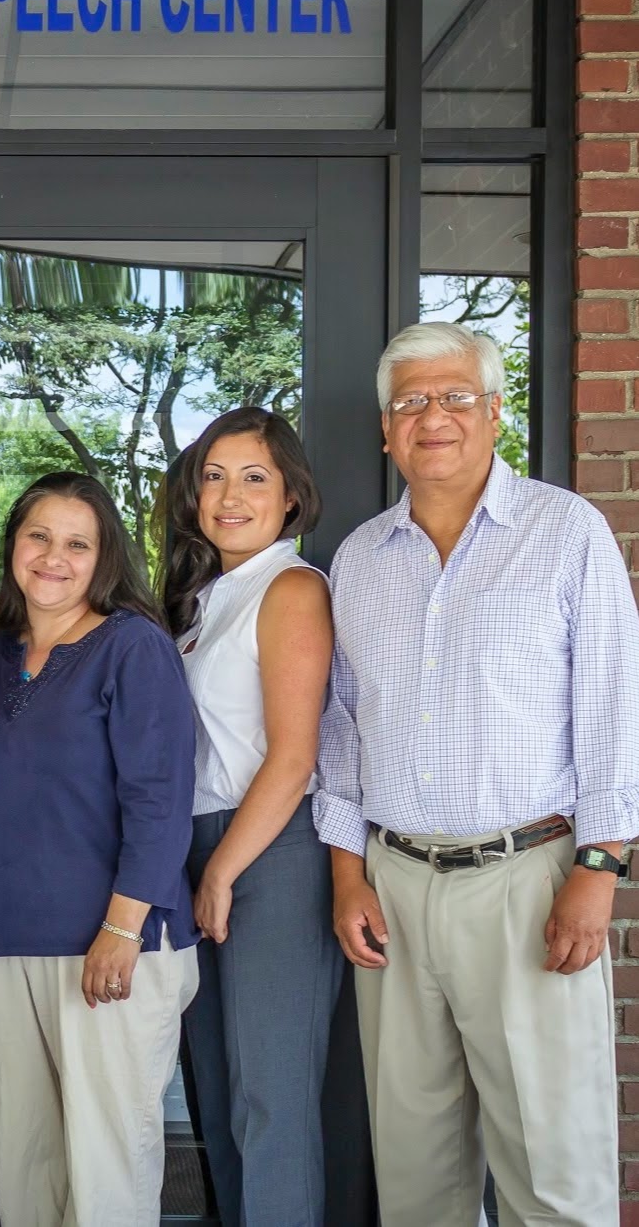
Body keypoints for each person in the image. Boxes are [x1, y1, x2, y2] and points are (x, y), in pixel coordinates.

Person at [315, 321, 639, 1227]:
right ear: (386, 430)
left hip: (528, 883)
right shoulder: (359, 560)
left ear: (495, 412)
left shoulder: (566, 531)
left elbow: (616, 710)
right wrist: (347, 873)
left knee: (553, 1166)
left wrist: (599, 868)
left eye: (456, 397)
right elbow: (339, 731)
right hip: (395, 887)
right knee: (417, 1174)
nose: (434, 417)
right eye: (411, 402)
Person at [0, 471, 198, 1227]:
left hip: (112, 944)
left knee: (106, 1174)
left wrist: (122, 929)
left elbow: (160, 801)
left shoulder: (133, 647)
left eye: (77, 543)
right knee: (27, 1165)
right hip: (8, 943)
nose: (53, 557)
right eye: (38, 536)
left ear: (105, 558)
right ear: (12, 547)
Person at [161, 408, 342, 1227]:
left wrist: (225, 869)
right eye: (214, 475)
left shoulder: (291, 587)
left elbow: (294, 755)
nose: (229, 495)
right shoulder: (205, 600)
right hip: (203, 849)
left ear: (292, 497)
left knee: (270, 1095)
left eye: (254, 476)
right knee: (218, 1096)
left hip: (268, 851)